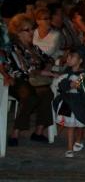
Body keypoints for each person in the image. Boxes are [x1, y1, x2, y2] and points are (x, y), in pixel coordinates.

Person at [0, 14, 57, 146]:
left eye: (32, 29)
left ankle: (39, 131)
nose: (32, 32)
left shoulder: (33, 48)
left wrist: (47, 66)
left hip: (34, 81)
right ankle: (15, 132)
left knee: (47, 93)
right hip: (17, 81)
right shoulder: (12, 47)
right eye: (27, 30)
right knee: (31, 97)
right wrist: (40, 71)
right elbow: (18, 70)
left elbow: (49, 59)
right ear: (17, 32)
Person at [53, 46, 85, 158]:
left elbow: (78, 85)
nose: (68, 59)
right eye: (68, 56)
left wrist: (68, 84)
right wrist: (67, 84)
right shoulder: (66, 72)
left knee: (80, 124)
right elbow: (61, 85)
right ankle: (69, 148)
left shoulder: (84, 74)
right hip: (68, 101)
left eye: (72, 57)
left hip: (79, 102)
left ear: (80, 60)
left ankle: (78, 140)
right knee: (70, 125)